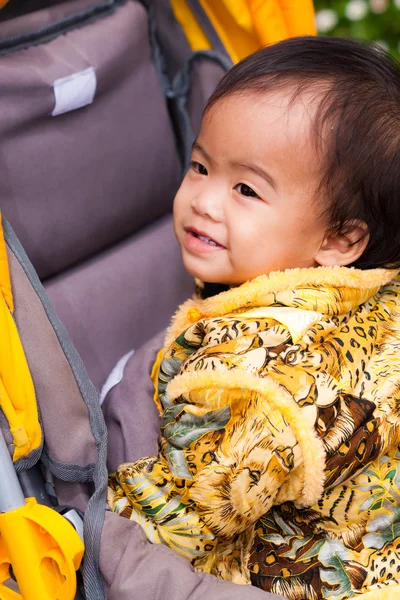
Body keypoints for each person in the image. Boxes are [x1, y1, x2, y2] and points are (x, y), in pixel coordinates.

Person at [106, 36, 400, 600]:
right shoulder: (377, 294)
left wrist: (94, 506)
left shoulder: (251, 386)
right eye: (199, 166)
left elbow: (180, 521)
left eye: (245, 189)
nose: (204, 201)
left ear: (340, 239)